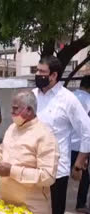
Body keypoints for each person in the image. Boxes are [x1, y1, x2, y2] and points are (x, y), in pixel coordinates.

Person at [32, 56, 90, 214]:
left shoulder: (67, 99)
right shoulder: (32, 96)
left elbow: (87, 131)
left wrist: (79, 163)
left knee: (55, 210)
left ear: (53, 75)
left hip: (56, 170)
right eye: (37, 70)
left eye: (42, 71)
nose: (37, 74)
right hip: (31, 166)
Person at [0, 91, 59, 214]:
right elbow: (3, 152)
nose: (11, 113)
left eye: (15, 109)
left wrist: (12, 171)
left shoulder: (44, 136)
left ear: (29, 110)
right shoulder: (11, 129)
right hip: (5, 206)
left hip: (31, 209)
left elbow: (47, 177)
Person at [70, 75, 90, 213]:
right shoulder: (88, 100)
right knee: (85, 176)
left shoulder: (70, 97)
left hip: (66, 144)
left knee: (60, 175)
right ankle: (80, 204)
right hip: (81, 145)